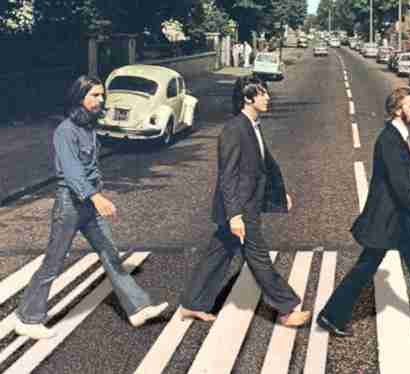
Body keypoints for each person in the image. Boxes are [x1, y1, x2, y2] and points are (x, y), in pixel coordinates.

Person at [14, 76, 168, 340]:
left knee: (109, 253)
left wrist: (96, 195)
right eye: (95, 95)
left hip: (88, 204)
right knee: (53, 262)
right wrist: (96, 198)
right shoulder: (65, 131)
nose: (101, 100)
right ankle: (28, 318)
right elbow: (72, 172)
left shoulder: (89, 127)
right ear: (79, 98)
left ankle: (138, 307)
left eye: (101, 95)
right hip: (71, 204)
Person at [316, 87, 410, 337]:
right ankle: (330, 316)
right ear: (397, 110)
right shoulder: (389, 140)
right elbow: (400, 188)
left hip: (398, 217)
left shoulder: (400, 133)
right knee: (366, 267)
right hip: (387, 217)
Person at [179, 75, 311, 327]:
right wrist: (235, 216)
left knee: (217, 255)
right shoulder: (234, 129)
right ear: (248, 98)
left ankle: (193, 303)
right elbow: (227, 177)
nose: (267, 97)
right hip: (241, 208)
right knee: (259, 258)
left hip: (247, 203)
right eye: (262, 93)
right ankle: (287, 308)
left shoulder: (252, 125)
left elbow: (264, 165)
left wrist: (279, 193)